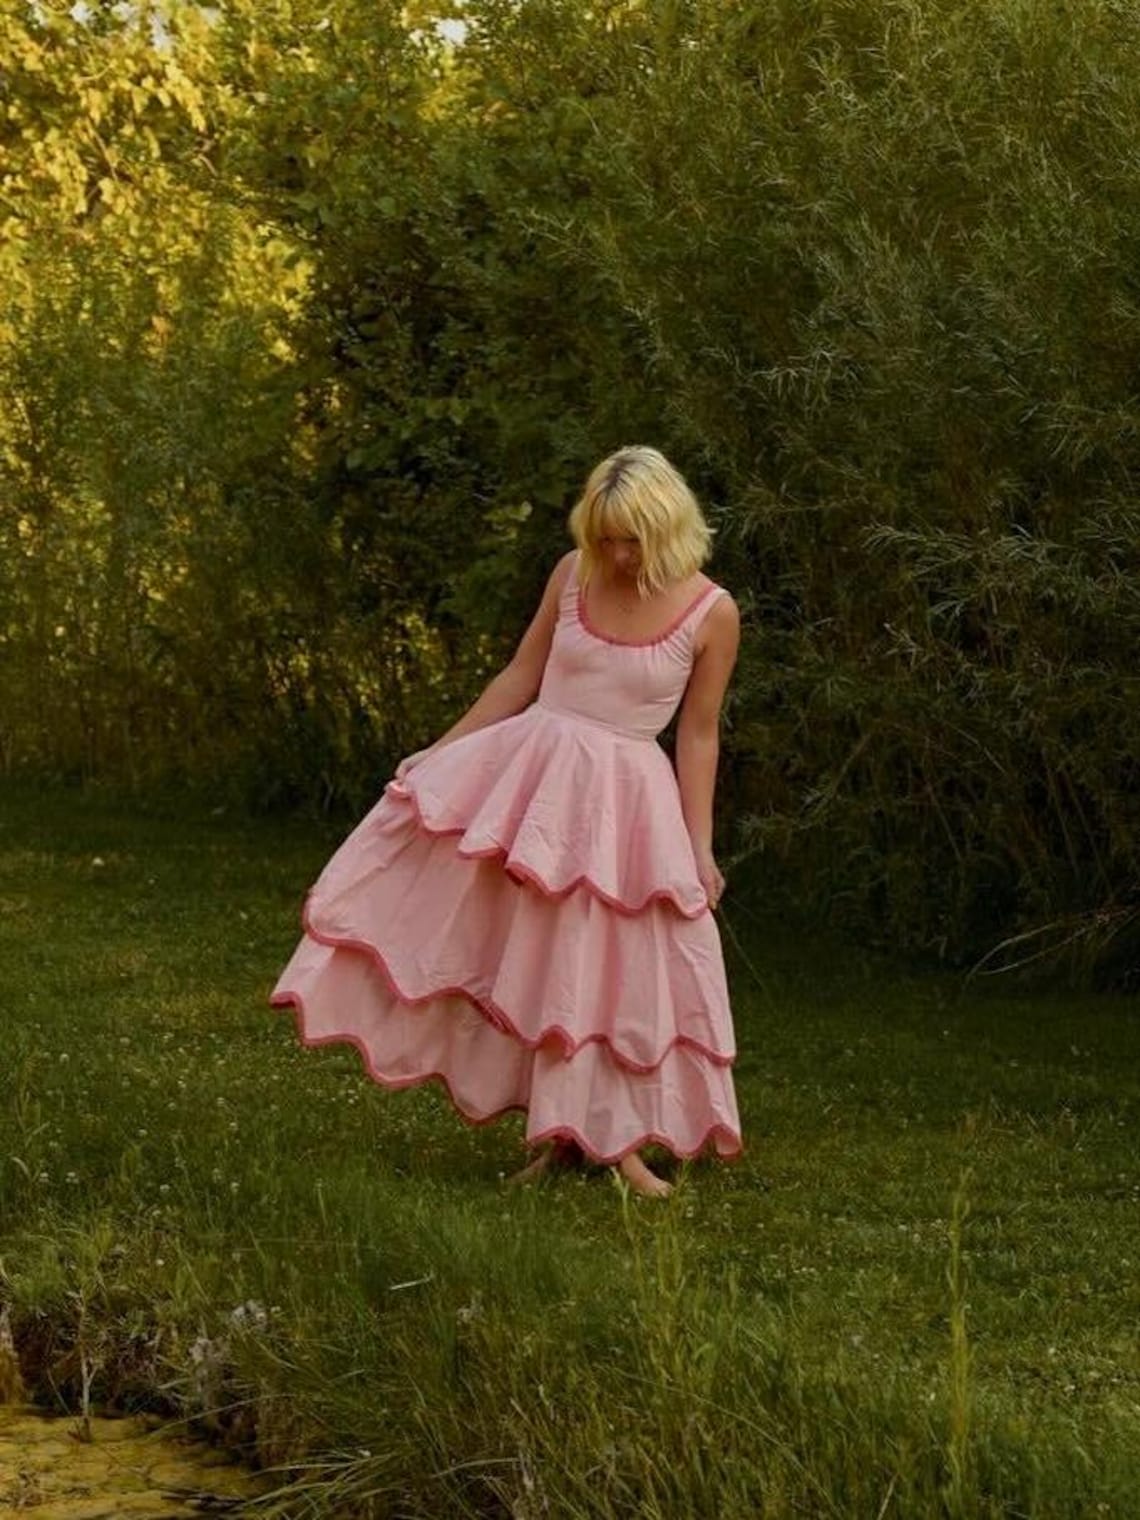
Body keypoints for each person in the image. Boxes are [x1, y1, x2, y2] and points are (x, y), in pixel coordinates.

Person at [271, 445, 742, 1197]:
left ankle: (617, 1142)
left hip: (628, 810)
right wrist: (443, 749)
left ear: (668, 528)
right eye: (606, 535)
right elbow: (521, 676)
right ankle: (561, 1135)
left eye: (632, 538)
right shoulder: (572, 574)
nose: (617, 553)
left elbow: (699, 733)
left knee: (614, 970)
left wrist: (698, 846)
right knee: (544, 962)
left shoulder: (712, 612)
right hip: (539, 790)